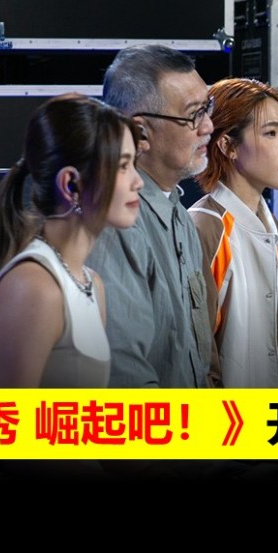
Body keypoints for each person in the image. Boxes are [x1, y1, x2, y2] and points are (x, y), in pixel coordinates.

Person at [0, 92, 143, 388]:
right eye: (123, 166)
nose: (138, 181)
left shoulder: (91, 283)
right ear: (71, 184)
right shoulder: (36, 288)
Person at [87, 44, 218, 388]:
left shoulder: (180, 217)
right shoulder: (116, 225)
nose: (208, 126)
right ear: (141, 132)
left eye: (208, 108)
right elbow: (125, 379)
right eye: (194, 114)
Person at [189, 78, 278, 388]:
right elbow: (196, 358)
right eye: (270, 133)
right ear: (228, 145)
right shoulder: (204, 228)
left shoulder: (270, 226)